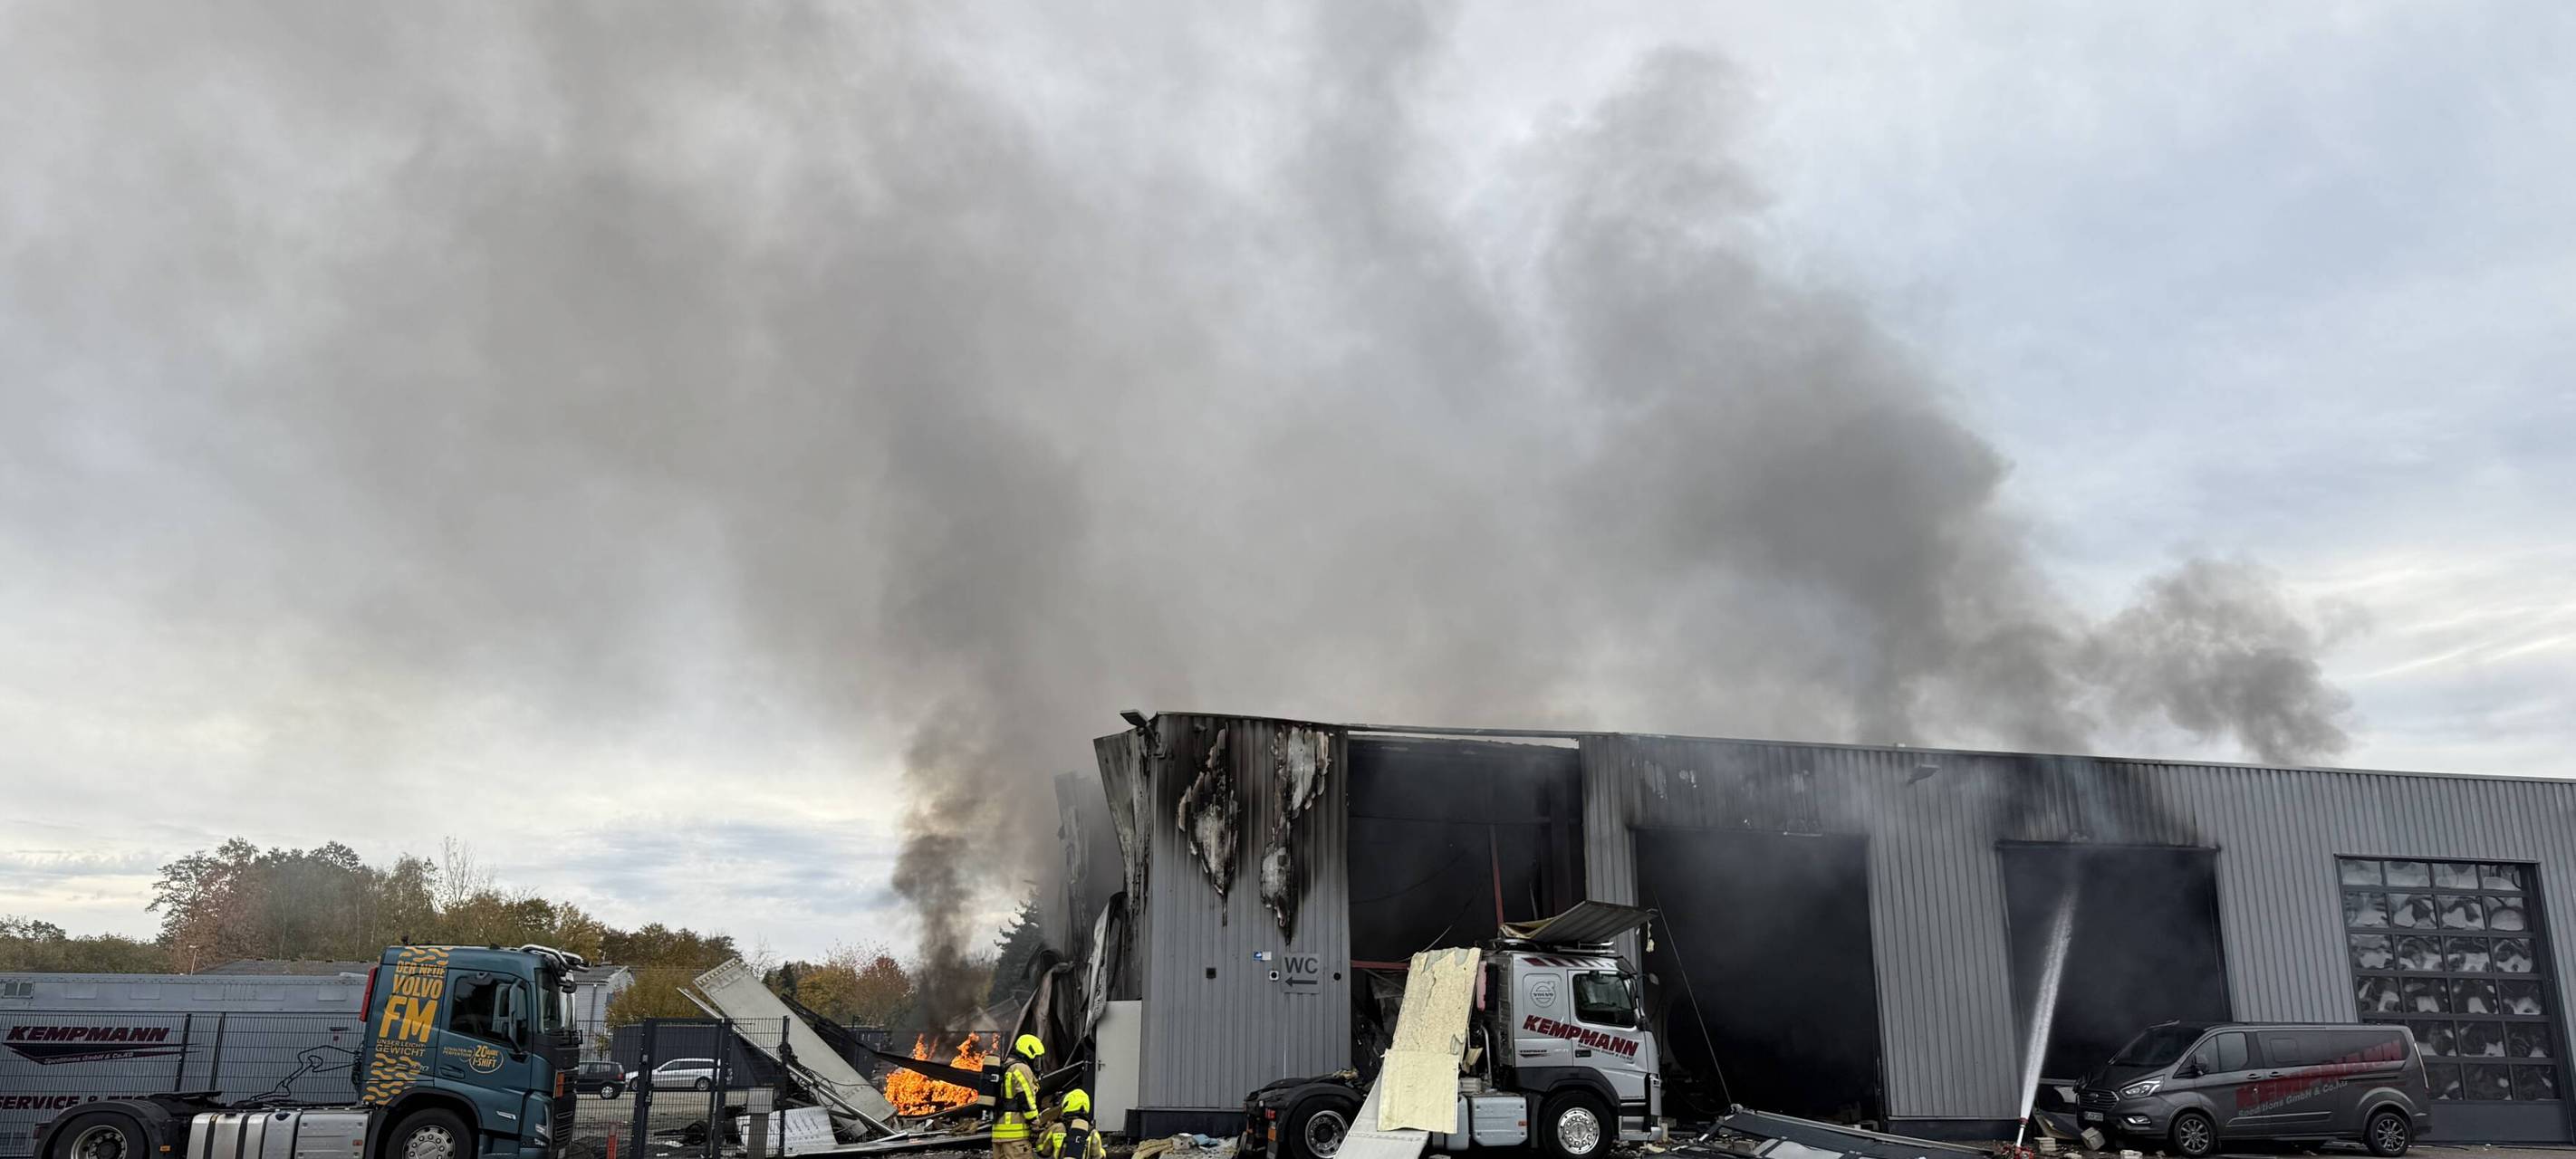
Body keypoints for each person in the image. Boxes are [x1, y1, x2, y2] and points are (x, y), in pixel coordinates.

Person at [991, 1034, 1047, 1159]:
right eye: (1036, 1058)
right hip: (1015, 1137)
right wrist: (1035, 1122)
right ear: (1029, 1052)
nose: (1036, 1063)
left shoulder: (1004, 1066)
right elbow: (1026, 1098)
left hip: (998, 1135)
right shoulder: (1021, 1068)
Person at [1039, 1089, 1103, 1159]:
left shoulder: (1056, 1128)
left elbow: (1043, 1151)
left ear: (1066, 1105)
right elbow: (1098, 1156)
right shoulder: (1093, 1132)